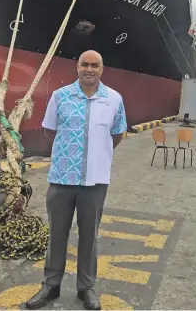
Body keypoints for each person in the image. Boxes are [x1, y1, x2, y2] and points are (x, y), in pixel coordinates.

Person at [26, 50, 127, 310]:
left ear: (102, 69)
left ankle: (86, 288)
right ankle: (51, 285)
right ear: (77, 67)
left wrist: (95, 155)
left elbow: (117, 135)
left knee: (89, 235)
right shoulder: (60, 97)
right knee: (56, 233)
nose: (89, 69)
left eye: (95, 65)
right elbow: (50, 131)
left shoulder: (114, 99)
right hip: (61, 177)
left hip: (95, 181)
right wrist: (70, 153)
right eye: (85, 64)